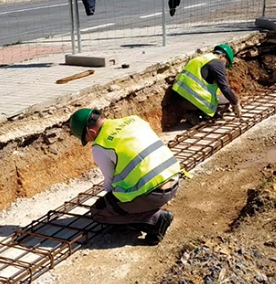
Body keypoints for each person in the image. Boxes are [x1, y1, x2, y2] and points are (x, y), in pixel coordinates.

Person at [68, 108, 182, 245]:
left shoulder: (100, 146)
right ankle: (145, 208)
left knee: (99, 212)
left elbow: (110, 182)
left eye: (87, 139)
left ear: (91, 132)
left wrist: (111, 204)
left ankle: (155, 219)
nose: (90, 142)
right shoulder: (133, 119)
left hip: (153, 194)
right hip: (174, 180)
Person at [172, 44, 242, 120]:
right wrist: (236, 103)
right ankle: (197, 114)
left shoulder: (205, 58)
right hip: (191, 98)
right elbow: (224, 87)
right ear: (223, 56)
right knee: (226, 102)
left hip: (179, 95)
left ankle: (194, 111)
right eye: (226, 63)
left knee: (223, 98)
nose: (224, 66)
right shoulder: (217, 63)